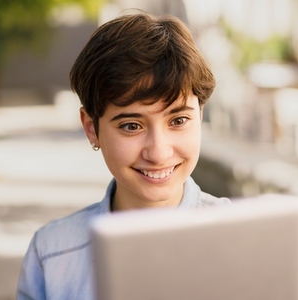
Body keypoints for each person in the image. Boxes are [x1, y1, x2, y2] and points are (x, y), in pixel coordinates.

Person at [17, 11, 231, 300]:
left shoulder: (246, 239)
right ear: (92, 128)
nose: (158, 152)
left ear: (201, 115)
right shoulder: (52, 253)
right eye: (131, 126)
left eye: (178, 121)